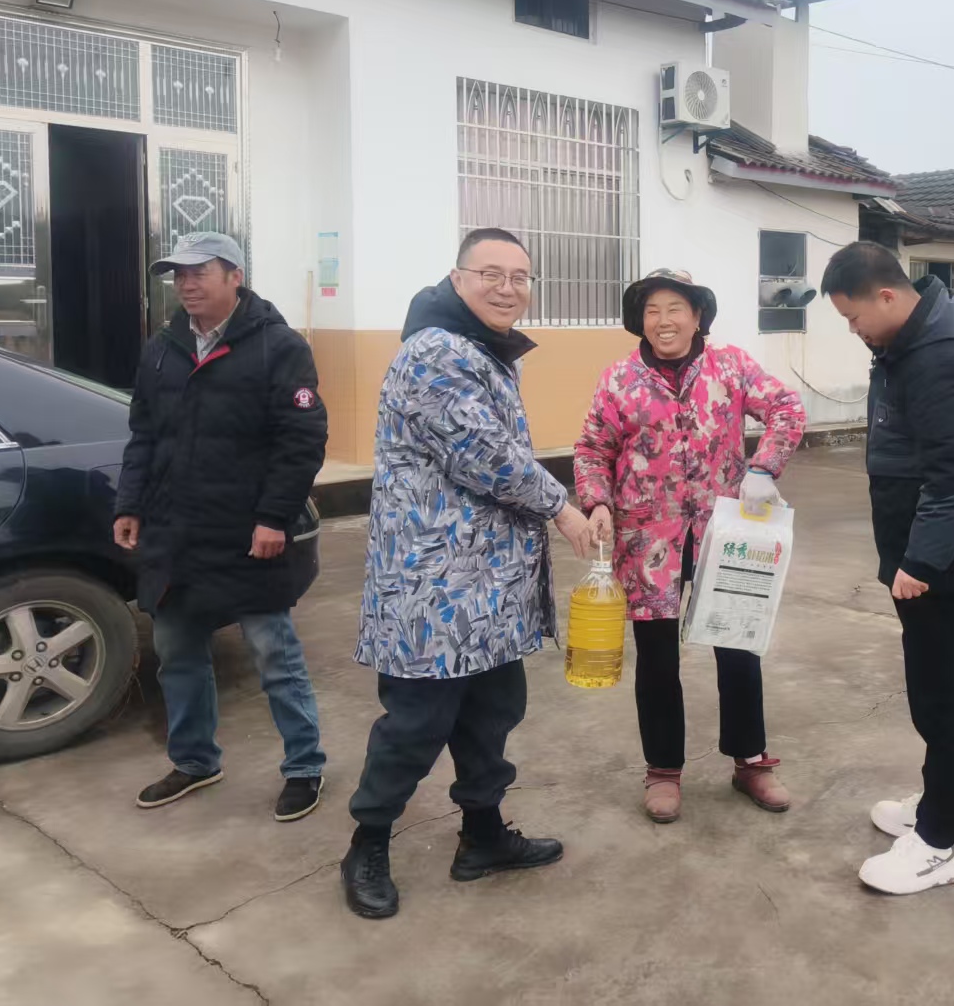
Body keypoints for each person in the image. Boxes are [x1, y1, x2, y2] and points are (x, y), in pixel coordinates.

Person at [342, 227, 594, 920]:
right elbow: (486, 455)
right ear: (457, 280)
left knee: (491, 714)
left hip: (489, 590)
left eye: (520, 276)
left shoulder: (482, 348)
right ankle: (368, 843)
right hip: (434, 587)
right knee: (416, 724)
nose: (507, 288)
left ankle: (482, 836)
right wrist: (563, 508)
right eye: (491, 273)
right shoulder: (436, 352)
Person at [573, 269, 806, 823]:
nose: (664, 321)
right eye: (652, 311)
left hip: (725, 534)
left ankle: (750, 760)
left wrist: (763, 468)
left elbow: (787, 408)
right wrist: (597, 501)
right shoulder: (619, 379)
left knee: (738, 645)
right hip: (646, 539)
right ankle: (663, 769)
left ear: (697, 316)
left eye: (675, 308)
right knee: (657, 658)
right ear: (640, 321)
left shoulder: (730, 366)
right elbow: (592, 449)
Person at [114, 231, 330, 823]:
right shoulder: (163, 348)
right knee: (177, 653)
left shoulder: (278, 346)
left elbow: (301, 441)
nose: (186, 284)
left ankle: (304, 767)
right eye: (178, 275)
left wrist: (273, 517)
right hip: (175, 534)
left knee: (274, 654)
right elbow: (143, 435)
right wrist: (129, 504)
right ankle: (194, 760)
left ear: (235, 276)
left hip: (246, 534)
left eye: (199, 272)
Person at [819, 242, 954, 895]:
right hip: (928, 564)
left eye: (853, 317)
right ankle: (938, 804)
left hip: (950, 569)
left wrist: (922, 561)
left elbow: (953, 475)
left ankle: (938, 842)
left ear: (886, 296)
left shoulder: (940, 360)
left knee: (950, 702)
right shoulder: (909, 346)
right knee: (932, 694)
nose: (854, 330)